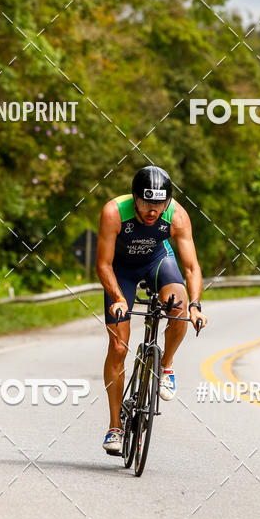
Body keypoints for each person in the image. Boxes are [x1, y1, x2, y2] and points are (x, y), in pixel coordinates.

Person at [96, 166, 208, 453]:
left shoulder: (177, 215)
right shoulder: (114, 212)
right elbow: (103, 264)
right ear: (135, 197)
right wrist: (118, 298)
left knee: (179, 305)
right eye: (146, 202)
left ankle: (166, 365)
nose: (152, 210)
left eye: (159, 203)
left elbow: (192, 266)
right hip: (120, 271)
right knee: (119, 347)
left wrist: (195, 306)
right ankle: (114, 427)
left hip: (157, 261)